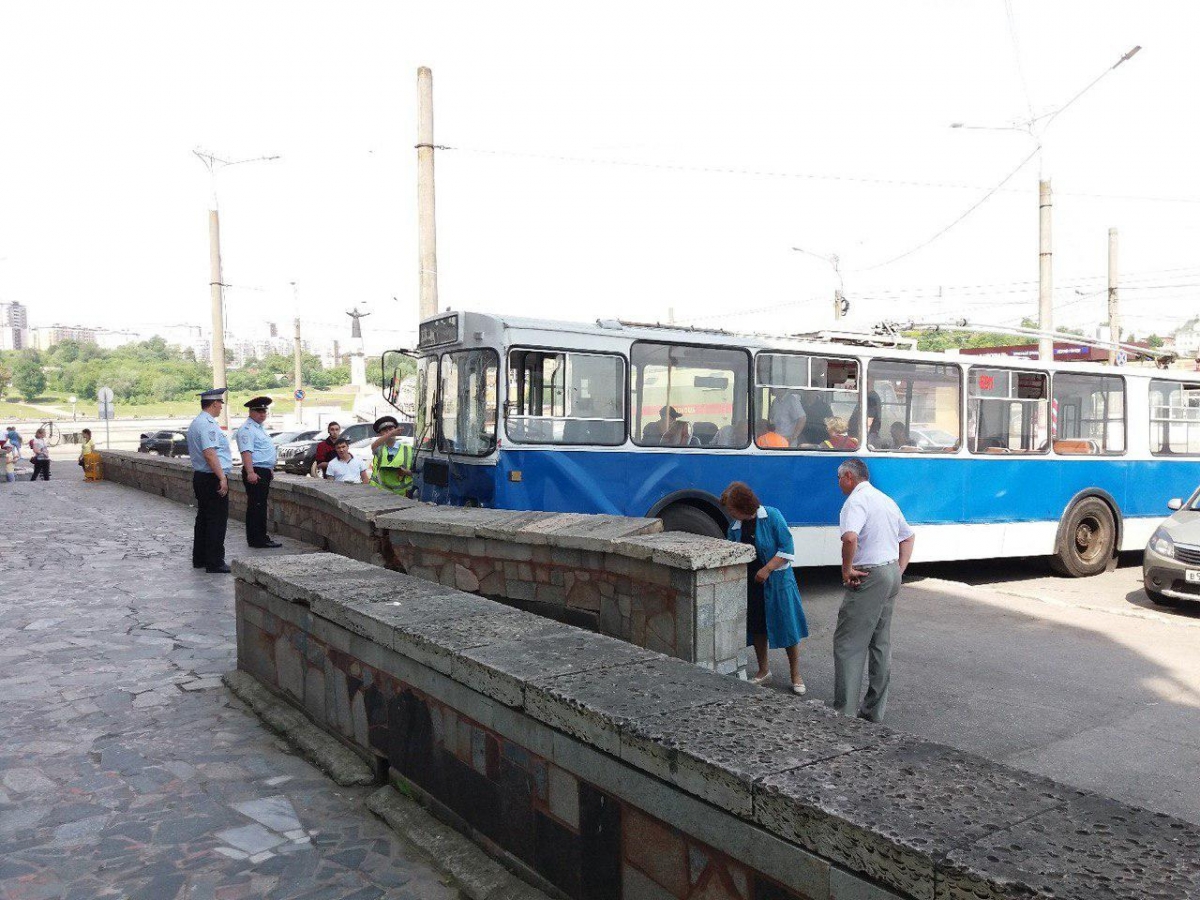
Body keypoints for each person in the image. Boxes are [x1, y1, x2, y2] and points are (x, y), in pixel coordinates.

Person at [833, 458, 915, 722]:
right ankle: (873, 712)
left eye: (839, 479)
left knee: (848, 643)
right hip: (890, 571)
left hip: (869, 574)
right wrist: (899, 570)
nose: (838, 484)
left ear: (848, 476)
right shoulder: (885, 499)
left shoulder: (855, 502)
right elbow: (908, 535)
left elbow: (850, 537)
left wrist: (846, 569)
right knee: (880, 643)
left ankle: (844, 713)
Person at [721, 481, 810, 694]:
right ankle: (763, 671)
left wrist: (767, 569)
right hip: (753, 585)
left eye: (732, 509)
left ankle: (796, 674)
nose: (730, 514)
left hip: (778, 583)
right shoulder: (735, 527)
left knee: (788, 627)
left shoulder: (772, 516)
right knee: (758, 627)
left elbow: (787, 549)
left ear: (743, 506)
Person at [187, 387, 233, 574]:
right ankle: (214, 562)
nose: (221, 407)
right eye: (220, 403)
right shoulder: (207, 424)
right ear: (214, 404)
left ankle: (201, 558)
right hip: (211, 477)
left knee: (204, 519)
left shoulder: (197, 422)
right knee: (216, 520)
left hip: (202, 476)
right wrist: (222, 477)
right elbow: (210, 453)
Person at [236, 396, 283, 549]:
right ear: (251, 411)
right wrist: (250, 472)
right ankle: (257, 539)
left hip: (263, 471)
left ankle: (261, 537)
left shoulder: (259, 428)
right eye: (259, 411)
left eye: (264, 411)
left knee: (260, 506)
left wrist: (269, 468)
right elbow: (246, 452)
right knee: (256, 506)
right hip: (255, 471)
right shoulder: (247, 430)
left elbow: (262, 451)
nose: (262, 414)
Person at [368, 415, 414, 495]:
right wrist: (391, 433)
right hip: (379, 493)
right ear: (380, 434)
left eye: (390, 429)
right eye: (385, 430)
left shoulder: (408, 449)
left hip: (401, 494)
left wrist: (405, 472)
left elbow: (417, 474)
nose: (388, 431)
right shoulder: (379, 448)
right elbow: (373, 446)